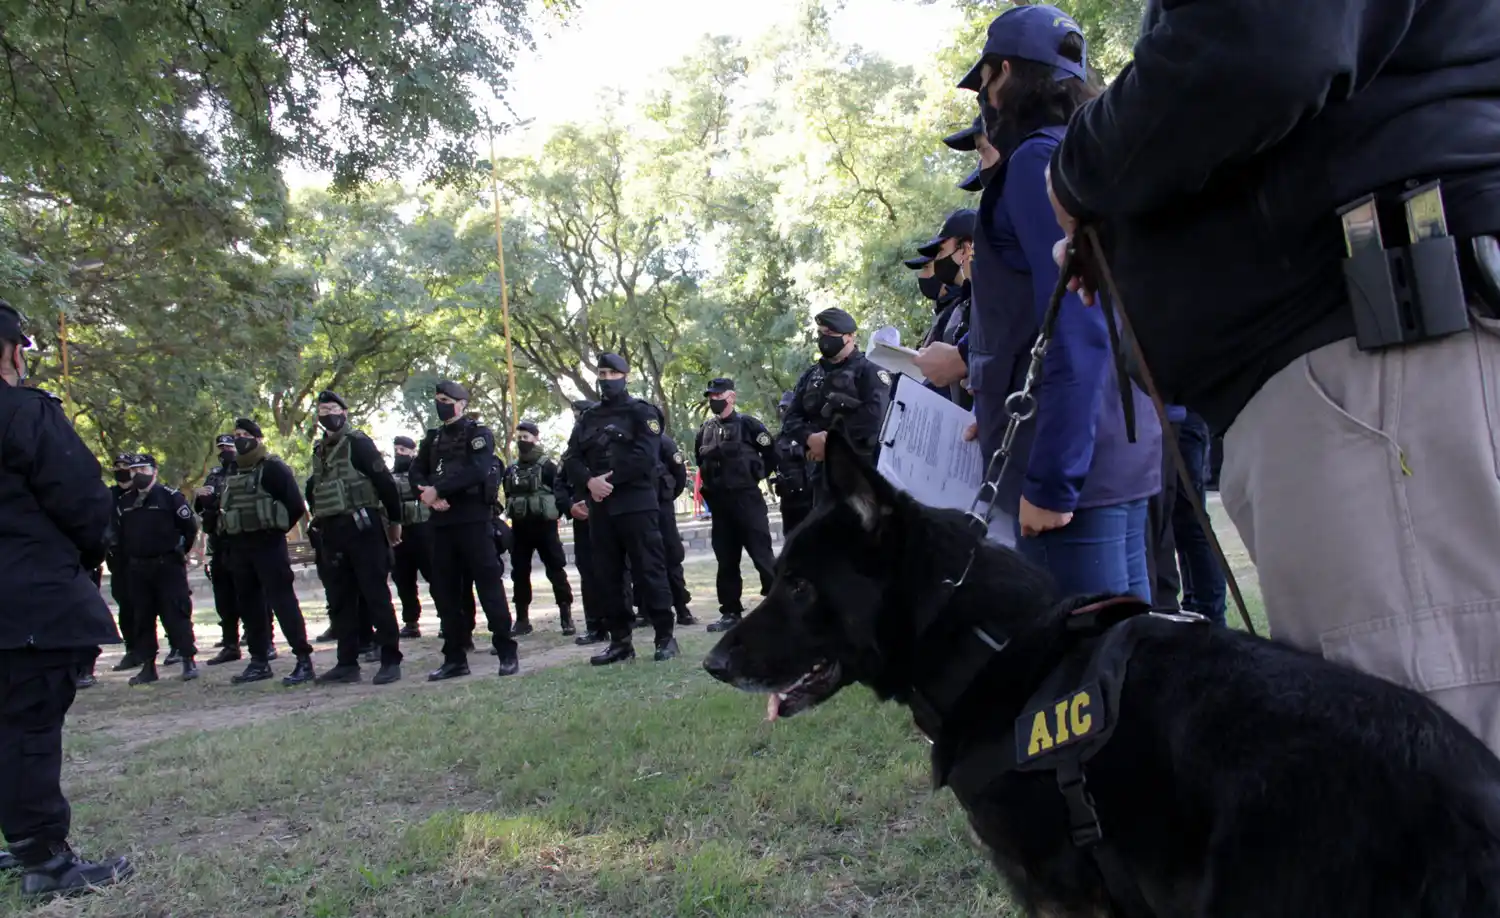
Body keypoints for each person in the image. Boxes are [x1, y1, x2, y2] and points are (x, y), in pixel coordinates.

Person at [1046, 0, 1500, 750]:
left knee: (1428, 783)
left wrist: (1081, 173)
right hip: (1366, 380)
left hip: (1387, 355)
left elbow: (1265, 37)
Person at [954, 5, 1162, 598]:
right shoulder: (1091, 155)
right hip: (1117, 453)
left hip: (1072, 469)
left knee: (1082, 677)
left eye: (987, 81)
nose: (986, 101)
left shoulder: (1034, 165)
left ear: (1007, 73)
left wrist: (1051, 480)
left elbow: (1077, 322)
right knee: (1126, 666)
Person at [0, 300, 133, 896]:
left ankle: (19, 842)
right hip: (26, 602)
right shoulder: (25, 413)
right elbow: (83, 500)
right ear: (9, 351)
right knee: (27, 727)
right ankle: (44, 861)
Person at [563, 353, 678, 665]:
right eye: (601, 373)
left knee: (649, 570)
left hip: (636, 503)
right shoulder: (588, 418)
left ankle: (665, 637)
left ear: (626, 376)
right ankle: (620, 641)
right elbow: (571, 458)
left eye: (612, 373)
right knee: (608, 576)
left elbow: (645, 456)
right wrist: (589, 482)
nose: (605, 379)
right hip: (601, 508)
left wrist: (606, 481)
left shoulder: (641, 412)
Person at [411, 381, 518, 681]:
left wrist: (439, 489)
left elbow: (477, 470)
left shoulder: (478, 434)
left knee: (489, 588)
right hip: (441, 525)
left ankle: (506, 651)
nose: (440, 403)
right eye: (437, 398)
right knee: (446, 593)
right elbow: (415, 472)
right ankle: (455, 658)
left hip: (473, 521)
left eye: (445, 399)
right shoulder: (431, 439)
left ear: (461, 404)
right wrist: (429, 493)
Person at [305, 391, 405, 685]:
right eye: (322, 409)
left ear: (344, 412)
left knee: (375, 596)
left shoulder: (359, 444)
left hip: (363, 527)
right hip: (333, 532)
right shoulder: (320, 450)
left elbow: (385, 483)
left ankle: (390, 659)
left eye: (332, 408)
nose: (327, 414)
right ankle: (346, 663)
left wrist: (395, 521)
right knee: (340, 600)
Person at [219, 418, 317, 686]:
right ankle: (259, 661)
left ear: (258, 438)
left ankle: (303, 660)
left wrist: (275, 528)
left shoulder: (273, 468)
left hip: (268, 545)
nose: (240, 438)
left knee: (282, 602)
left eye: (245, 434)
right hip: (240, 547)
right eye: (236, 434)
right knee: (249, 606)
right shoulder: (232, 471)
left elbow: (296, 505)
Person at [780, 308, 892, 500]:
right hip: (823, 478)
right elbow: (791, 418)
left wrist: (831, 443)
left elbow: (874, 418)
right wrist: (810, 439)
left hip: (862, 476)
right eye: (821, 333)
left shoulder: (870, 370)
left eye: (830, 334)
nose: (823, 339)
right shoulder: (810, 376)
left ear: (850, 336)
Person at [695, 378, 777, 632]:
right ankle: (730, 611)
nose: (713, 400)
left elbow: (771, 453)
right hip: (720, 504)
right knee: (726, 561)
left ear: (731, 396)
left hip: (747, 500)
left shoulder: (749, 425)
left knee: (762, 555)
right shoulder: (705, 429)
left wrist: (756, 474)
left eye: (718, 395)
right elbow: (699, 457)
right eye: (710, 396)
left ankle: (777, 607)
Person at [116, 454, 200, 685]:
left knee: (176, 614)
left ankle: (187, 660)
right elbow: (120, 536)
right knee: (142, 618)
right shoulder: (125, 502)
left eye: (143, 469)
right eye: (134, 471)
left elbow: (189, 528)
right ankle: (148, 666)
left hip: (168, 566)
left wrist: (178, 552)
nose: (138, 474)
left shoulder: (170, 497)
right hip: (138, 569)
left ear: (154, 471)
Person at [502, 421, 575, 636]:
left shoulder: (548, 467)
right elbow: (508, 496)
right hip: (520, 529)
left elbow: (560, 490)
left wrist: (560, 512)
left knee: (556, 571)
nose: (522, 441)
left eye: (526, 437)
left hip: (545, 528)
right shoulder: (512, 470)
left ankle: (566, 616)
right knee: (520, 573)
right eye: (519, 437)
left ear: (536, 438)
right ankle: (522, 620)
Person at [912, 210, 977, 408]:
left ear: (965, 249)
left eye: (941, 251)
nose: (939, 260)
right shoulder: (968, 301)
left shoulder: (997, 297)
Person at [197, 434, 250, 664]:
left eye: (229, 447)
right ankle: (230, 644)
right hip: (219, 541)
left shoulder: (248, 470)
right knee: (224, 597)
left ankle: (262, 642)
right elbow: (202, 508)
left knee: (250, 594)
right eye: (221, 448)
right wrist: (201, 499)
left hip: (243, 540)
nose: (225, 451)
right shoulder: (215, 475)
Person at [559, 402, 608, 646]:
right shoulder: (570, 454)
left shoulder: (609, 448)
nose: (578, 421)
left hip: (608, 516)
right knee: (588, 573)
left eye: (582, 416)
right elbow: (559, 485)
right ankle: (594, 625)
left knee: (615, 570)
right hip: (582, 520)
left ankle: (621, 622)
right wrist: (570, 505)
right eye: (575, 417)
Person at [390, 435, 434, 638]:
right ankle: (411, 622)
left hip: (423, 531)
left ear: (412, 452)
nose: (399, 454)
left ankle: (447, 618)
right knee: (403, 579)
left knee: (435, 576)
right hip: (399, 534)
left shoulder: (423, 474)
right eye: (397, 449)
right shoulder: (388, 476)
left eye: (404, 450)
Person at [653, 431, 697, 627]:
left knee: (671, 556)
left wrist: (668, 496)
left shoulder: (663, 442)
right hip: (636, 509)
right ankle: (647, 611)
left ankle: (681, 607)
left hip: (661, 506)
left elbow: (679, 474)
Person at [104, 452, 141, 672]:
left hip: (143, 557)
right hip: (118, 562)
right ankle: (132, 651)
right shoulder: (108, 495)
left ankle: (177, 647)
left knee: (155, 604)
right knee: (126, 608)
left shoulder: (142, 493)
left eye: (125, 465)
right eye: (117, 466)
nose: (120, 469)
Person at [770, 390, 814, 537]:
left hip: (810, 500)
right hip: (788, 502)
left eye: (787, 408)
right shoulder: (778, 440)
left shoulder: (810, 435)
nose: (784, 412)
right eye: (782, 408)